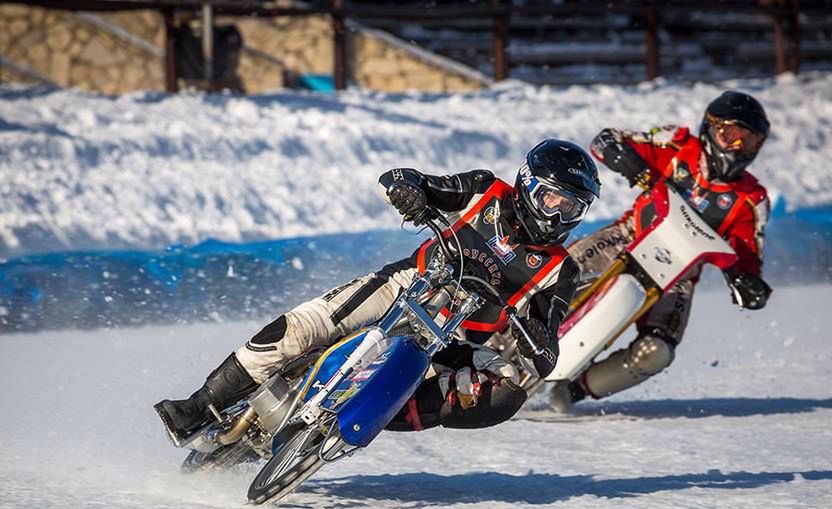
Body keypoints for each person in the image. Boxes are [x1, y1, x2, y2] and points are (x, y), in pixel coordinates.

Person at [155, 139, 601, 441]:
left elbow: (548, 342)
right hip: (409, 284)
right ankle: (196, 408)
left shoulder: (559, 271)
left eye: (571, 206)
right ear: (527, 184)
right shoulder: (483, 189)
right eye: (551, 198)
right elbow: (413, 180)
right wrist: (409, 191)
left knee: (507, 392)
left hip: (460, 338)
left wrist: (540, 341)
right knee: (297, 330)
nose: (558, 213)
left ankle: (369, 419)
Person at [549, 90, 774, 411]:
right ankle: (491, 333)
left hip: (680, 273)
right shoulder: (677, 144)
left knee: (657, 351)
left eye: (748, 141)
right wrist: (633, 167)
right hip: (627, 237)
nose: (737, 147)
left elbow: (748, 258)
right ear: (710, 128)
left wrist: (747, 283)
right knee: (552, 273)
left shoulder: (752, 198)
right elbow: (604, 140)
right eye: (731, 135)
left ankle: (572, 392)